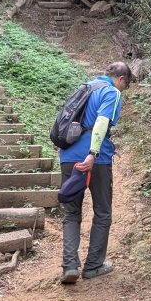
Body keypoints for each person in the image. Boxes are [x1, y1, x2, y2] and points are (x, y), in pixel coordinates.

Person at [59, 62, 132, 284]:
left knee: (71, 213)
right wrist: (93, 153)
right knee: (102, 212)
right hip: (94, 159)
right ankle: (93, 266)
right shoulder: (111, 92)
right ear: (121, 80)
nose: (123, 90)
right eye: (125, 86)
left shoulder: (85, 87)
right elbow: (101, 122)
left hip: (67, 155)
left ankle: (70, 266)